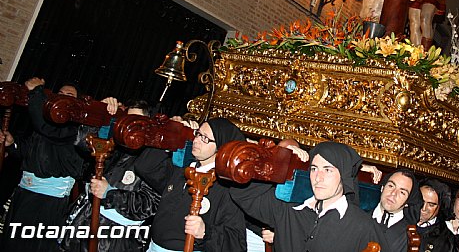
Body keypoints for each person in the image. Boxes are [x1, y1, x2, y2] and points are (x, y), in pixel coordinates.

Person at [0, 77, 118, 252]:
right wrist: (13, 143)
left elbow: (47, 130)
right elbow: (35, 151)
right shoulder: (50, 125)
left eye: (69, 96)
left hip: (48, 201)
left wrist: (36, 91)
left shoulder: (76, 129)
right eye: (60, 94)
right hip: (23, 193)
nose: (62, 99)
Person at [230, 140, 389, 252]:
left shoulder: (362, 225)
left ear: (344, 176)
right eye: (313, 169)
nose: (318, 177)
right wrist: (281, 160)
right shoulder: (289, 209)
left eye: (327, 170)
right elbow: (241, 193)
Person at [60, 99, 161, 252]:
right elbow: (83, 142)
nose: (129, 127)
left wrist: (110, 193)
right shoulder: (114, 145)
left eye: (135, 122)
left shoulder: (154, 158)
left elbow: (149, 205)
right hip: (84, 223)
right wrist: (102, 113)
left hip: (114, 238)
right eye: (126, 120)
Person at [134, 116, 247, 252]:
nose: (196, 140)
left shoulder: (225, 188)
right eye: (198, 134)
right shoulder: (182, 171)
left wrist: (205, 232)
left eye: (205, 138)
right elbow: (145, 167)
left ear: (221, 148)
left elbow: (236, 242)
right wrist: (170, 135)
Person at [370, 168, 423, 251]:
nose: (393, 193)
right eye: (391, 186)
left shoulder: (411, 236)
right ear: (382, 188)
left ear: (407, 202)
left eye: (402, 192)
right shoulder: (358, 218)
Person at [416, 178, 454, 252]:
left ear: (440, 207)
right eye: (421, 201)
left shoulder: (445, 238)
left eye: (431, 205)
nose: (423, 208)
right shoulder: (401, 221)